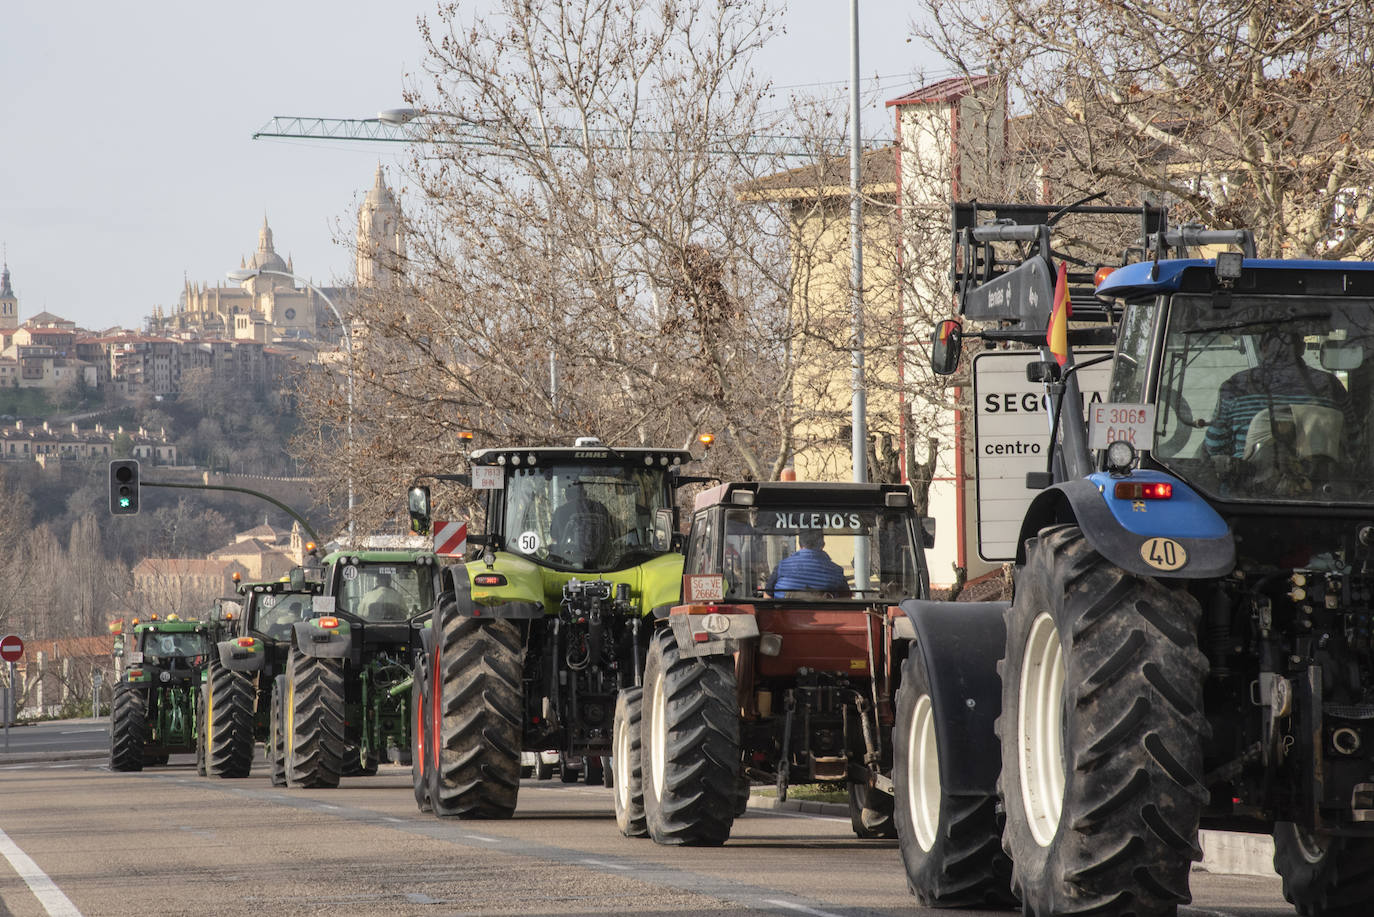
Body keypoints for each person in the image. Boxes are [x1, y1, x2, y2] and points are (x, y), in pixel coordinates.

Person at [1204, 329, 1354, 461]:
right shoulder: (1330, 385)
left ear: (1263, 349)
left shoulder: (1236, 386)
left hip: (1247, 489)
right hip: (1319, 487)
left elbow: (1215, 446)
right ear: (1302, 348)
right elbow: (1354, 442)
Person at [766, 529, 849, 598]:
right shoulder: (836, 572)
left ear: (800, 544)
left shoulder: (782, 567)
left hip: (784, 617)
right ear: (823, 545)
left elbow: (767, 596)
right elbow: (846, 600)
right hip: (826, 617)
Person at [550, 487, 612, 561]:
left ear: (566, 496)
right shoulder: (600, 508)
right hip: (603, 560)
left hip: (569, 560)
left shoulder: (560, 512)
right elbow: (611, 533)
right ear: (585, 493)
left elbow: (554, 535)